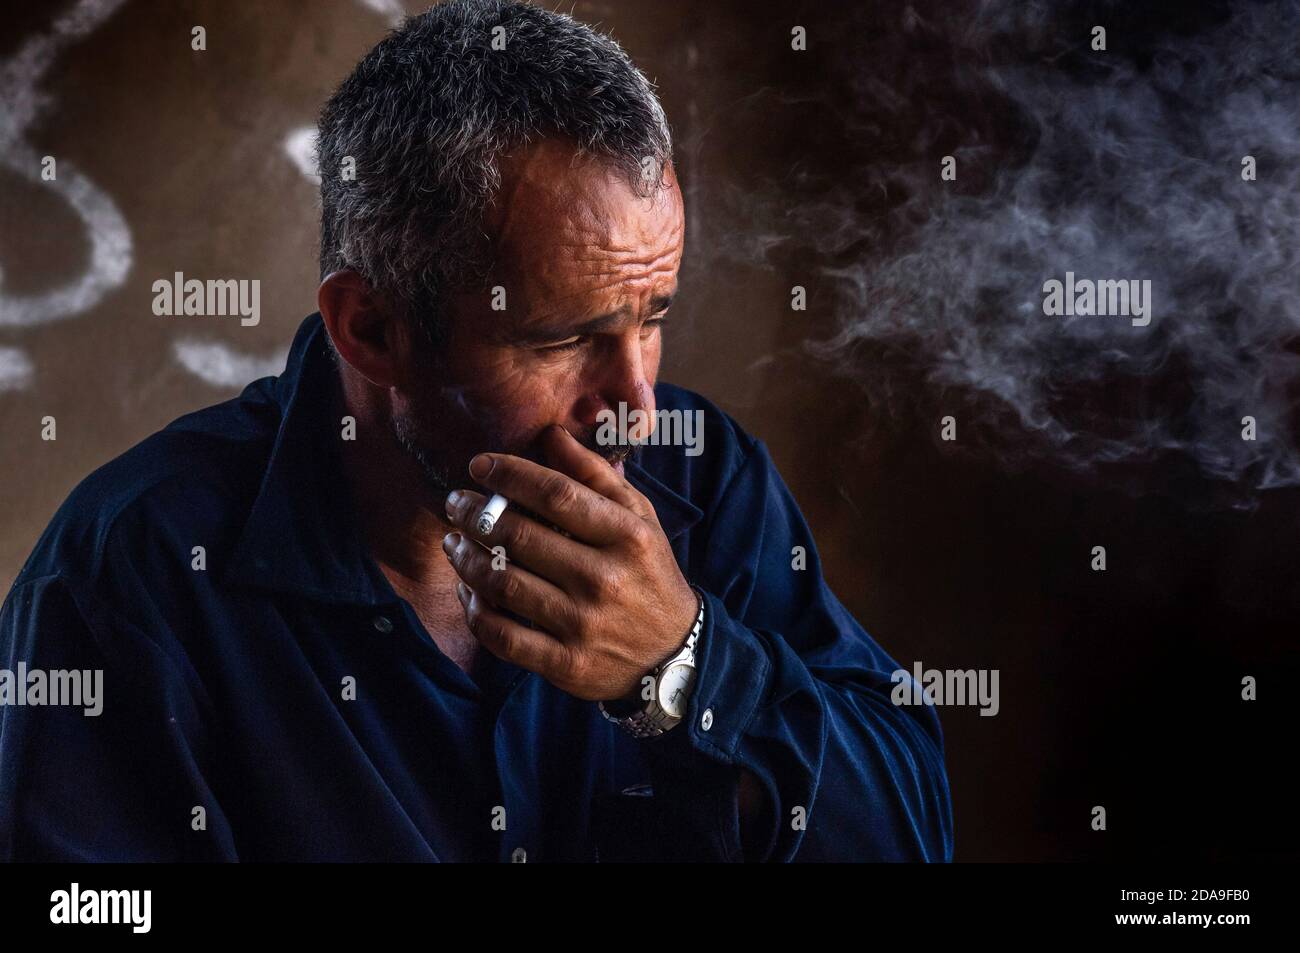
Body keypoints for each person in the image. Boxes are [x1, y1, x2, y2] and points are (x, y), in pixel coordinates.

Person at [0, 0, 952, 862]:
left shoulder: (705, 483)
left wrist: (685, 668)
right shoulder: (131, 576)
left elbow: (912, 834)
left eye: (650, 318)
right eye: (564, 338)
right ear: (371, 328)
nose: (634, 403)